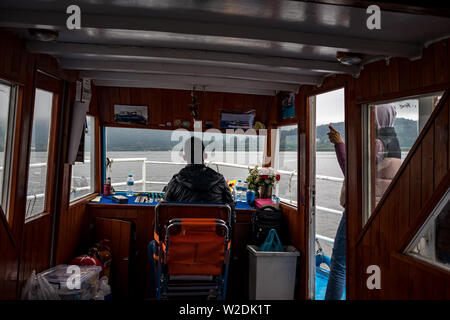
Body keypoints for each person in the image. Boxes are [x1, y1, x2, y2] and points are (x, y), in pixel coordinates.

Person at [164, 136, 235, 213]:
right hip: (213, 225)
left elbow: (165, 210)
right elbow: (231, 210)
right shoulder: (220, 181)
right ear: (205, 156)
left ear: (185, 157)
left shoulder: (175, 182)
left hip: (184, 225)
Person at [325, 125, 346, 300]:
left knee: (339, 264)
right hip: (378, 210)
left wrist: (339, 144)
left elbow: (353, 174)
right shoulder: (393, 146)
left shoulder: (376, 143)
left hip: (356, 210)